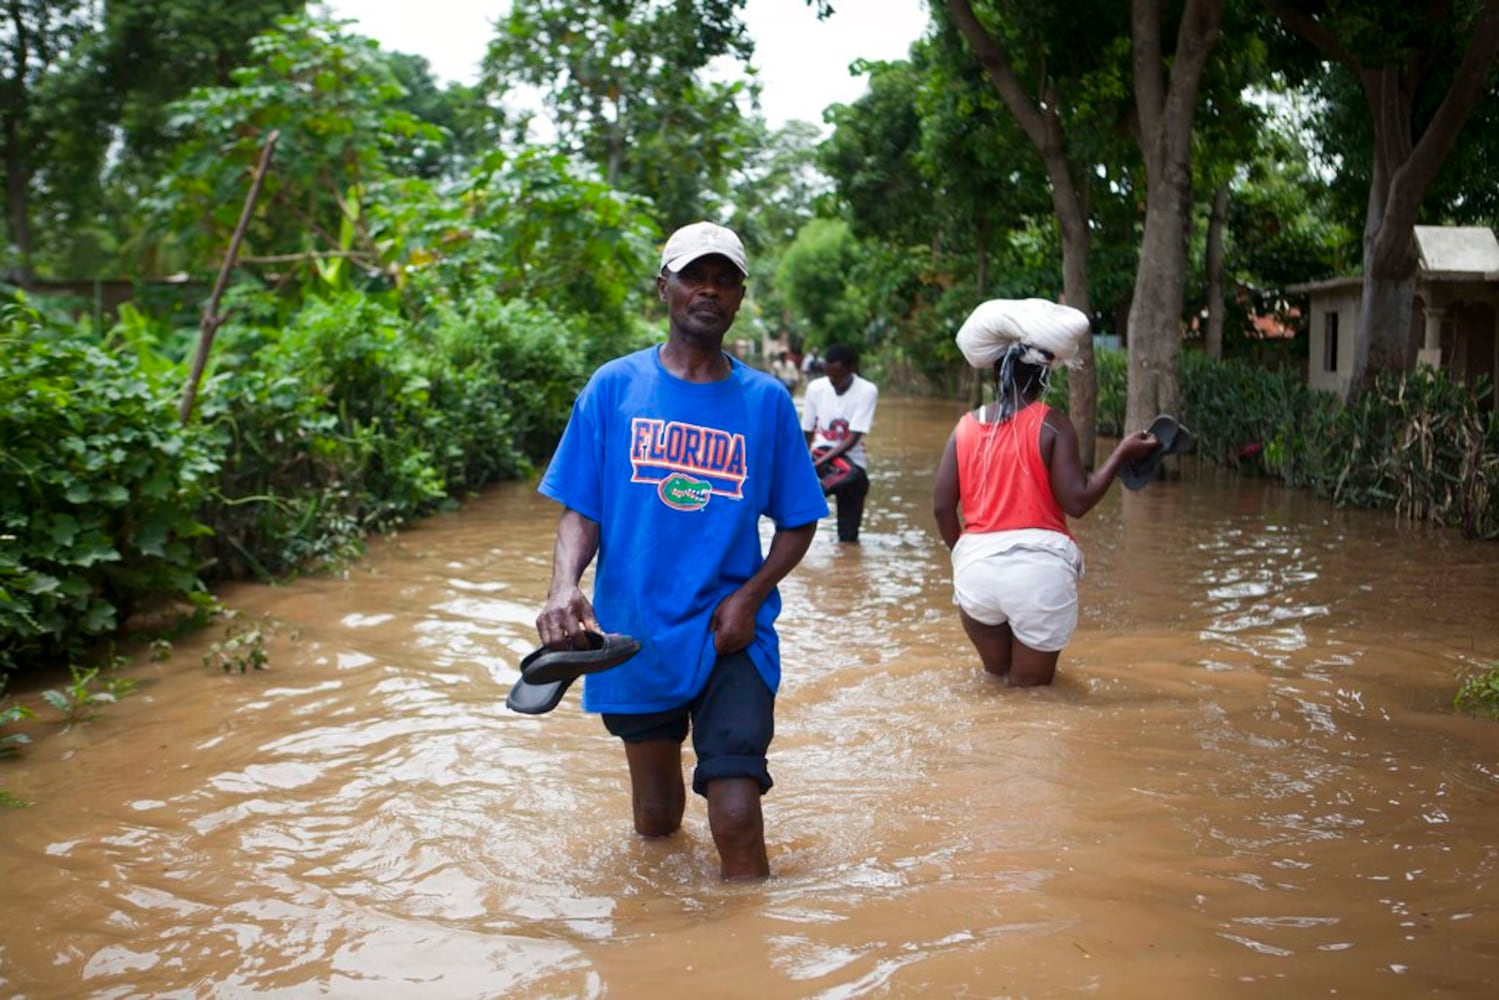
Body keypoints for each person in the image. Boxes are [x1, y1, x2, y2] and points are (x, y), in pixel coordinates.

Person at [533, 220, 828, 881]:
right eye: (695, 276)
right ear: (663, 287)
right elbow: (582, 510)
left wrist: (749, 598)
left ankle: (745, 957)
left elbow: (800, 519)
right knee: (657, 822)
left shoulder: (765, 402)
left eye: (726, 280)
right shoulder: (613, 388)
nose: (710, 291)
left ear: (740, 298)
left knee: (734, 814)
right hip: (632, 633)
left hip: (732, 633)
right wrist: (562, 587)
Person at [931, 299, 1158, 687]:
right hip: (1038, 575)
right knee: (1034, 700)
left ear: (995, 373)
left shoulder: (964, 427)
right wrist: (1120, 454)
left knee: (996, 685)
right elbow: (1078, 502)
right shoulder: (1053, 425)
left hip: (977, 573)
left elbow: (940, 507)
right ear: (1043, 376)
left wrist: (967, 556)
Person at [801, 343, 879, 543]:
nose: (833, 381)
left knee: (849, 538)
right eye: (830, 376)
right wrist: (802, 464)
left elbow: (852, 439)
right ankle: (811, 495)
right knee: (848, 475)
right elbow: (807, 432)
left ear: (851, 369)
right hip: (821, 452)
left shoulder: (867, 391)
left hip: (849, 463)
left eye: (838, 376)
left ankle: (815, 491)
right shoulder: (816, 388)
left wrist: (816, 465)